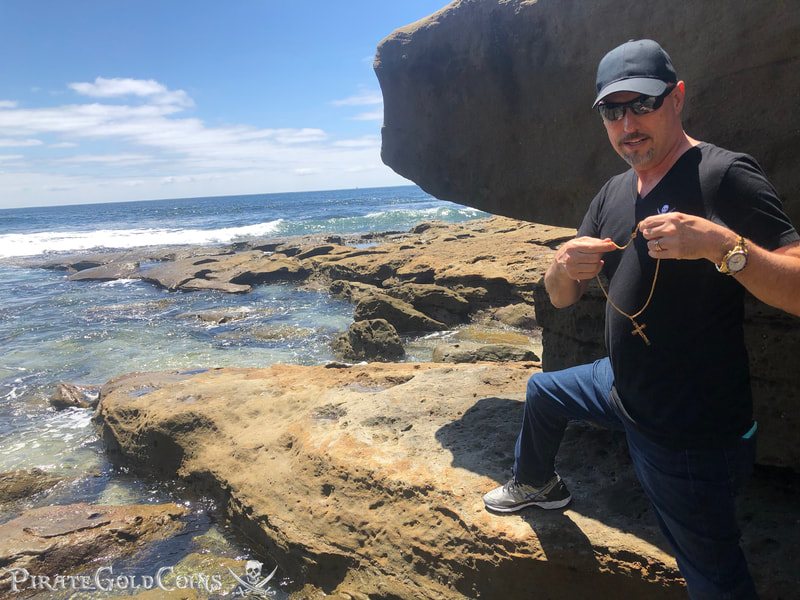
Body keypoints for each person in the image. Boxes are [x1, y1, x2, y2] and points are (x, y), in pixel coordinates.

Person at [483, 39, 800, 599]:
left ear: (677, 98)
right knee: (542, 390)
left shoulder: (723, 174)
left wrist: (722, 247)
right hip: (620, 386)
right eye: (612, 111)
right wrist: (562, 265)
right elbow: (560, 298)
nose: (627, 124)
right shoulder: (613, 191)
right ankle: (537, 483)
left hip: (687, 433)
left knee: (714, 579)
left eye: (643, 104)